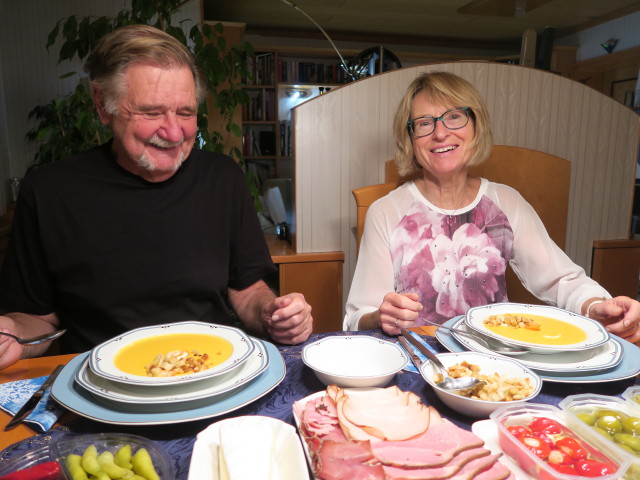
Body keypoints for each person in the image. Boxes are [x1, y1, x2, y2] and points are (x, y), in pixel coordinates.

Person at [0, 25, 313, 370]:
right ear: (103, 106)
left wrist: (272, 314)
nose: (174, 132)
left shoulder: (222, 177)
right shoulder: (48, 191)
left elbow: (248, 290)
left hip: (211, 370)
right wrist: (12, 333)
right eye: (151, 112)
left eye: (186, 113)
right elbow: (37, 319)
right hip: (104, 387)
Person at [344, 71, 640, 342]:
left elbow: (562, 280)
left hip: (497, 366)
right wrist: (380, 316)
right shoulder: (385, 212)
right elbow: (358, 317)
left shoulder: (505, 202)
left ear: (476, 125)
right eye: (424, 123)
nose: (440, 133)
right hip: (415, 364)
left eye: (454, 117)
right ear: (410, 138)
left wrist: (599, 306)